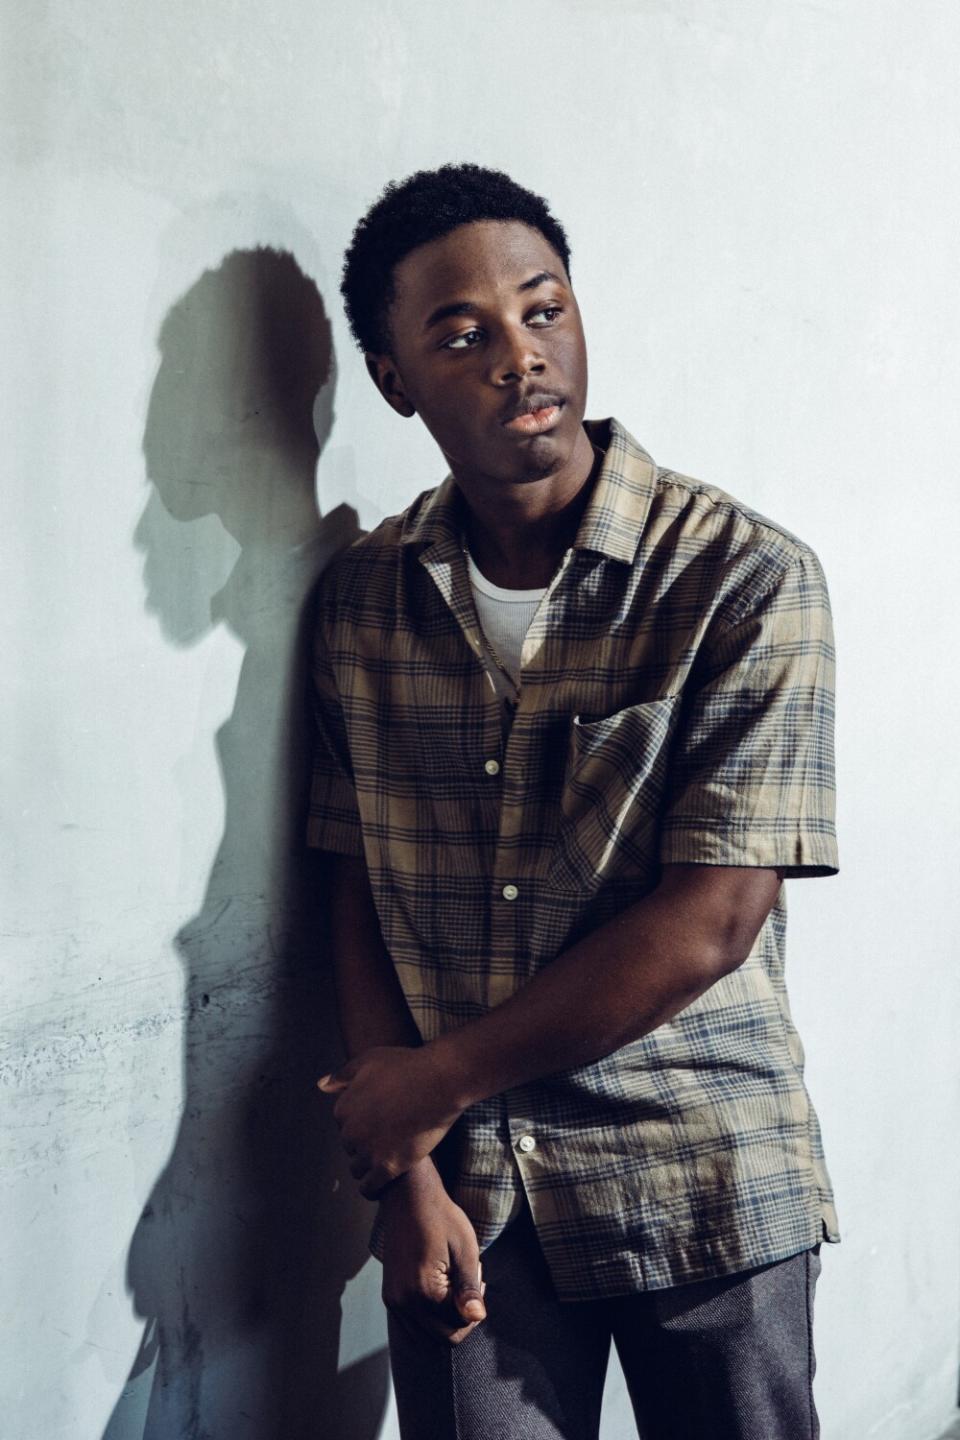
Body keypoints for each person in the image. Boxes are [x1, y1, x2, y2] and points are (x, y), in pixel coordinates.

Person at [311, 163, 839, 1440]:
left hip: (702, 1176)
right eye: (462, 333)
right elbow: (356, 885)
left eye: (543, 311)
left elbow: (715, 916)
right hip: (473, 1207)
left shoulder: (745, 579)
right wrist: (409, 1178)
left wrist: (432, 1085)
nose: (519, 357)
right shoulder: (365, 601)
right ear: (393, 379)